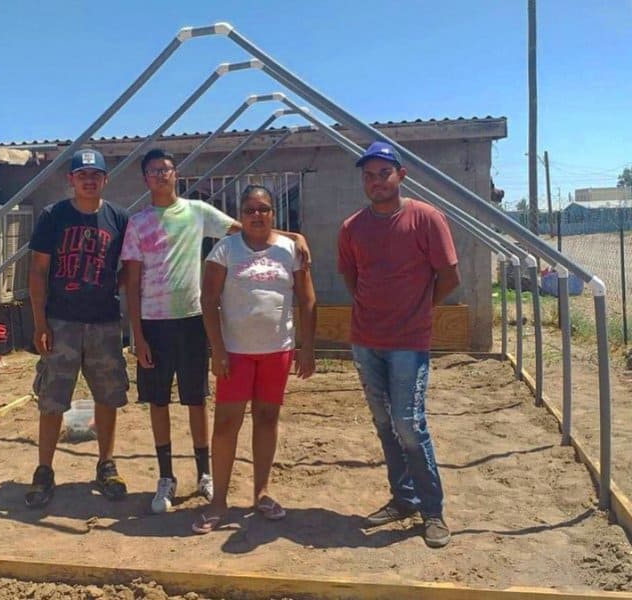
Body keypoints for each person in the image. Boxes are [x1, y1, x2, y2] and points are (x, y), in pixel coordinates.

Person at [121, 148, 310, 514]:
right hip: (153, 322)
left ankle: (204, 473)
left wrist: (293, 235)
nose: (161, 175)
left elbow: (247, 227)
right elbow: (131, 281)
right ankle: (166, 477)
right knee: (158, 402)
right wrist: (136, 335)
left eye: (166, 169)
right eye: (153, 171)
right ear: (145, 179)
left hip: (192, 321)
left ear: (176, 174)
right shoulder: (138, 223)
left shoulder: (196, 212)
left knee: (196, 400)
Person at [337, 141, 460, 548]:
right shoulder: (352, 227)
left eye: (383, 174)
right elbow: (353, 279)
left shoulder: (425, 218)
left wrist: (419, 310)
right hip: (366, 340)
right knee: (385, 423)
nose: (376, 182)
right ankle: (402, 498)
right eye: (369, 176)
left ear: (400, 175)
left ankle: (433, 511)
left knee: (409, 424)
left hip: (409, 340)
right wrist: (374, 311)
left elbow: (449, 277)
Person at [191, 185, 316, 534]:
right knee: (227, 424)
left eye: (263, 209)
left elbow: (307, 301)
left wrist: (307, 347)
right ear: (240, 215)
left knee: (266, 418)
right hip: (236, 354)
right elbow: (209, 301)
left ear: (273, 213)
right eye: (249, 210)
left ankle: (261, 493)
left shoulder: (290, 250)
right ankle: (218, 502)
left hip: (277, 351)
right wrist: (217, 349)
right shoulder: (225, 251)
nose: (256, 215)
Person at [25, 148, 130, 508]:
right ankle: (44, 469)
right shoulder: (54, 216)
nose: (89, 180)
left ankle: (106, 463)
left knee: (107, 396)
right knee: (52, 398)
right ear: (70, 180)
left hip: (103, 322)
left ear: (105, 179)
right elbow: (38, 271)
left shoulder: (119, 218)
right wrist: (40, 322)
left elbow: (128, 267)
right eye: (82, 175)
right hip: (62, 322)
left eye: (95, 174)